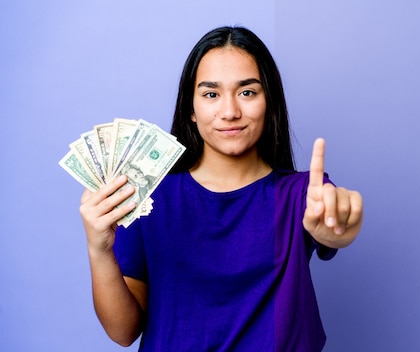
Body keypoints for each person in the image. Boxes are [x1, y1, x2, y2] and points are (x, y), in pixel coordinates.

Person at [79, 26, 363, 351]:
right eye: (211, 94)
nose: (229, 112)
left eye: (247, 92)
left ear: (269, 102)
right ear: (191, 109)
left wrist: (341, 227)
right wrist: (98, 250)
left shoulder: (301, 194)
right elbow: (122, 332)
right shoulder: (148, 195)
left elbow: (333, 228)